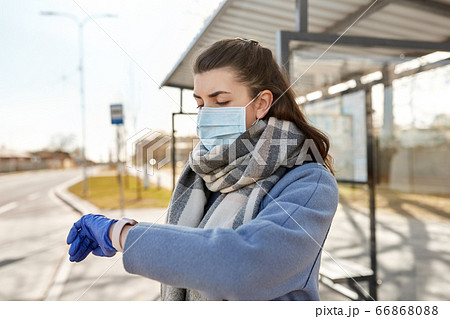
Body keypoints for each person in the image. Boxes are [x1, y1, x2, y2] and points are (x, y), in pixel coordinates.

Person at [66, 38, 339, 301]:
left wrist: (120, 234)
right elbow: (190, 267)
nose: (206, 114)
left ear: (261, 103)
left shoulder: (309, 182)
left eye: (220, 101)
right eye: (200, 103)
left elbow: (243, 267)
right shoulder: (202, 172)